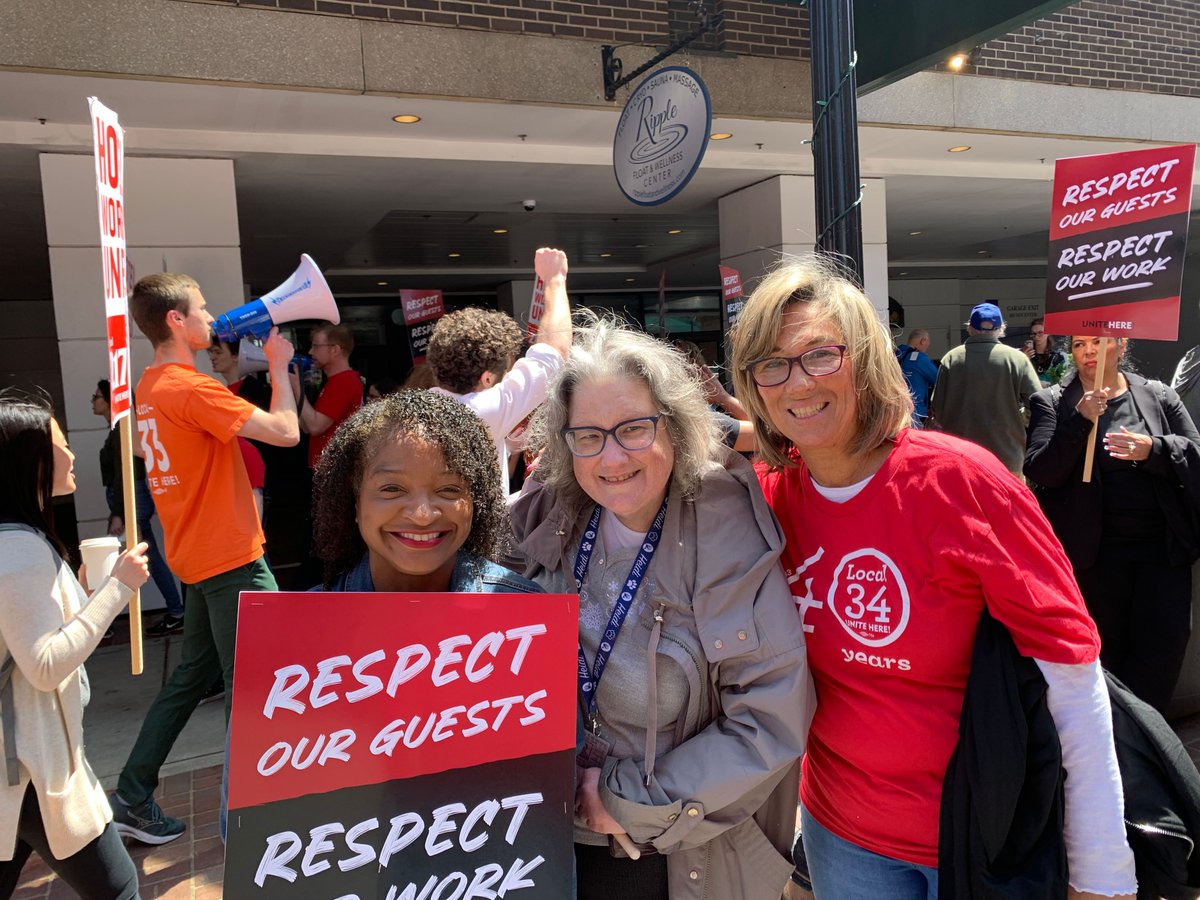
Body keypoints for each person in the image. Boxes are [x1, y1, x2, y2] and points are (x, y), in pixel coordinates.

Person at [729, 256, 1136, 900]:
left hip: (986, 836)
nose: (796, 383)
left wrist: (1102, 872)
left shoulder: (963, 483)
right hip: (845, 837)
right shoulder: (762, 502)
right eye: (771, 364)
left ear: (864, 358)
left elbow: (1071, 672)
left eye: (819, 356)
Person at [509, 315, 812, 900]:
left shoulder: (726, 534)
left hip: (667, 850)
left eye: (633, 428)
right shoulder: (546, 520)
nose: (612, 456)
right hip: (549, 841)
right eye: (588, 435)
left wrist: (623, 800)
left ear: (673, 426)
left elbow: (770, 720)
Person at [108, 272, 299, 845]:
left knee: (191, 678)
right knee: (262, 689)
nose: (209, 314)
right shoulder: (190, 388)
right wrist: (281, 367)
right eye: (200, 307)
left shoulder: (151, 385)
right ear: (175, 320)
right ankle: (258, 823)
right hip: (232, 558)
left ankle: (134, 793)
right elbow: (287, 432)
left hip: (196, 555)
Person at [0, 394, 150, 899]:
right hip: (33, 767)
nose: (73, 454)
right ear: (33, 460)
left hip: (21, 766)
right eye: (62, 444)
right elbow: (44, 665)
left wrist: (85, 597)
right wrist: (117, 589)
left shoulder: (17, 542)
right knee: (119, 888)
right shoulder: (19, 550)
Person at [1025, 336, 1200, 714]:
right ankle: (1115, 749)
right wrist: (1079, 421)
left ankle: (1150, 748)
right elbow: (1042, 470)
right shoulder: (1053, 401)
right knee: (1104, 662)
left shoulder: (1157, 396)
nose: (1088, 352)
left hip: (1162, 557)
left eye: (1098, 342)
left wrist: (1152, 449)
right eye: (1079, 344)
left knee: (1161, 655)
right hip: (1094, 562)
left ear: (1121, 345)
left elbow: (1194, 453)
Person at [312, 389, 541, 596]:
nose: (422, 515)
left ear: (476, 500)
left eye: (449, 490)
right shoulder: (301, 626)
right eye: (392, 489)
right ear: (354, 500)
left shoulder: (531, 615)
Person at [429, 248, 572, 493]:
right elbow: (554, 351)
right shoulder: (482, 411)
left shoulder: (421, 407)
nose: (509, 376)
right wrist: (555, 278)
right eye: (507, 371)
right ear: (486, 378)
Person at [92, 379, 184, 636]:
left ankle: (103, 625)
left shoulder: (123, 429)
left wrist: (119, 513)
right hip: (130, 499)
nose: (93, 402)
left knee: (114, 560)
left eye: (97, 396)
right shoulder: (119, 429)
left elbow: (127, 473)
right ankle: (176, 611)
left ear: (110, 401)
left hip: (130, 500)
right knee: (141, 558)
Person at [929, 302, 1041, 475]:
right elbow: (1038, 406)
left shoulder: (951, 359)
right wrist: (1019, 418)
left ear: (970, 328)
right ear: (1001, 328)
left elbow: (938, 410)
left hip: (961, 459)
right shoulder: (1017, 359)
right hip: (1007, 459)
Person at [296, 322, 362, 470]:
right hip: (327, 469)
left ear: (335, 350)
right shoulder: (335, 381)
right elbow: (306, 426)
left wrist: (297, 389)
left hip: (334, 470)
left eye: (316, 346)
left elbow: (315, 426)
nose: (311, 352)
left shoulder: (345, 381)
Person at [894, 328, 938, 426]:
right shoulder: (920, 359)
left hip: (893, 411)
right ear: (923, 341)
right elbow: (938, 380)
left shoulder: (894, 354)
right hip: (915, 412)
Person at [1024, 316, 1068, 385]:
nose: (1036, 337)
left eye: (1040, 333)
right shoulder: (1025, 354)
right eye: (1033, 334)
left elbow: (1063, 380)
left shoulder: (1058, 356)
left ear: (1048, 332)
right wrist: (1024, 360)